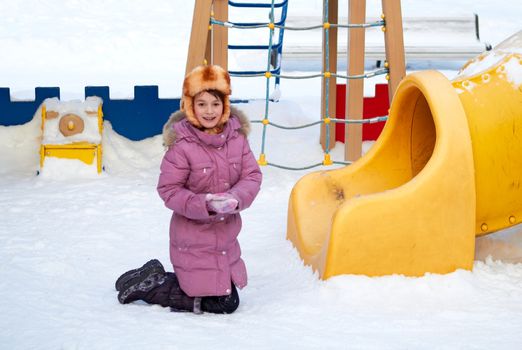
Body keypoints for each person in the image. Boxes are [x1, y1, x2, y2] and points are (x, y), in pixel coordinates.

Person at [115, 64, 262, 314]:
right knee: (225, 303)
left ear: (225, 105)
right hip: (193, 239)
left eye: (215, 103)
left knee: (223, 295)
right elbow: (169, 190)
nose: (209, 111)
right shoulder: (182, 145)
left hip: (225, 239)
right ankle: (151, 285)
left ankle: (156, 277)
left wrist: (236, 198)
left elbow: (252, 175)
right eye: (201, 103)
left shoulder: (236, 138)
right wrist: (205, 204)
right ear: (190, 105)